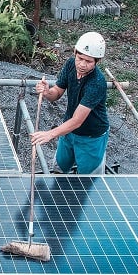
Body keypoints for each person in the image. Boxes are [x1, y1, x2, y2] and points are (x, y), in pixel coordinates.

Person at [30, 31, 109, 175]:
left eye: (89, 61)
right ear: (75, 52)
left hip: (91, 137)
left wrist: (50, 134)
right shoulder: (70, 65)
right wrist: (47, 92)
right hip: (68, 131)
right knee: (59, 169)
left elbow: (78, 120)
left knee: (87, 180)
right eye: (80, 58)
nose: (83, 64)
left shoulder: (97, 83)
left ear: (97, 61)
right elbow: (57, 93)